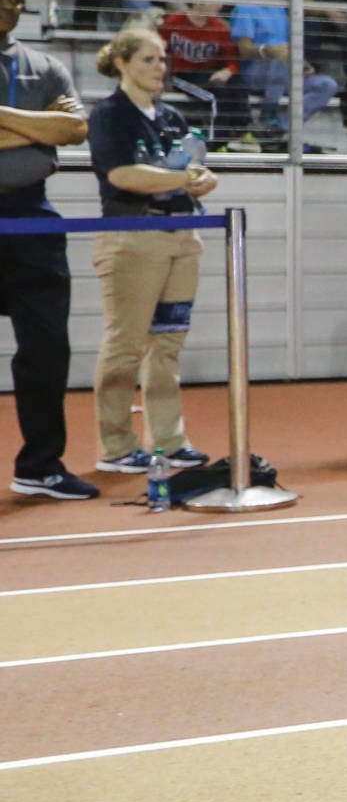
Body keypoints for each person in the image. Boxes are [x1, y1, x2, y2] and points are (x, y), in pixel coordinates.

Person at [86, 25, 217, 475]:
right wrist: (184, 178)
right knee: (125, 343)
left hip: (182, 234)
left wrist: (204, 179)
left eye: (162, 59)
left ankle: (169, 439)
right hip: (132, 236)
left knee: (168, 342)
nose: (159, 68)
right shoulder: (108, 115)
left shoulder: (172, 117)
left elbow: (195, 167)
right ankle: (116, 446)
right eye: (148, 59)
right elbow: (122, 175)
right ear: (121, 62)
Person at [0, 0, 97, 500]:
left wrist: (4, 120)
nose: (13, 8)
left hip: (32, 218)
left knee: (45, 347)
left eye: (18, 0)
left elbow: (74, 129)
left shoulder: (44, 66)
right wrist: (36, 130)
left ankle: (40, 466)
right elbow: (52, 131)